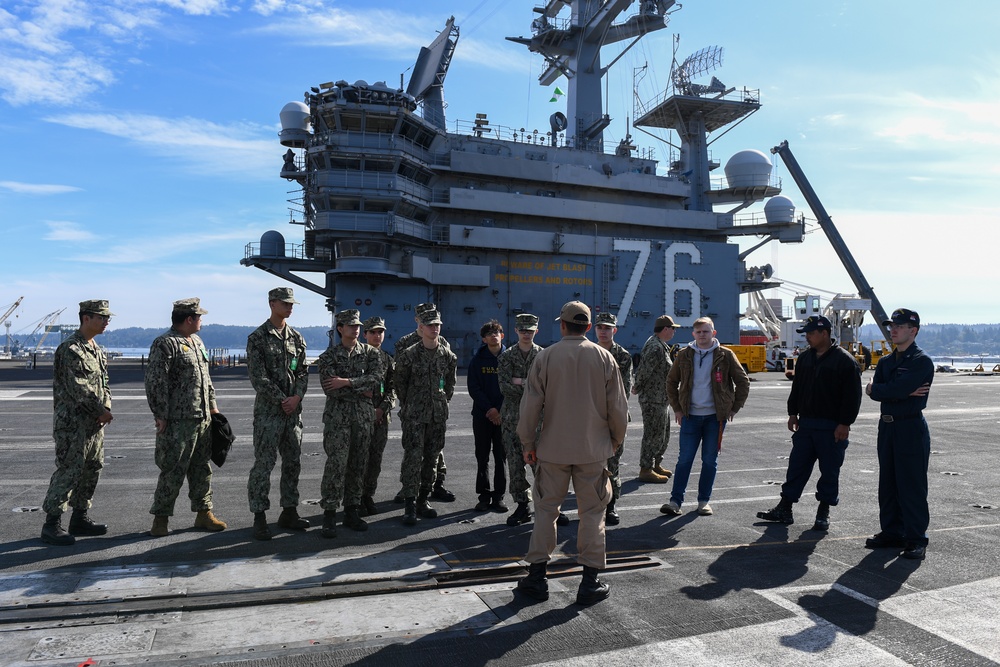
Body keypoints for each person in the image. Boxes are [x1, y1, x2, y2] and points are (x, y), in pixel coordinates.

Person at [515, 301, 629, 606]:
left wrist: (527, 444)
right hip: (593, 451)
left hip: (551, 450)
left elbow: (530, 406)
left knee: (546, 511)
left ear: (562, 325)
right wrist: (614, 442)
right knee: (593, 513)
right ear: (589, 327)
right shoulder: (605, 358)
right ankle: (589, 582)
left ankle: (537, 578)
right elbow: (618, 407)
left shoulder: (546, 357)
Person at [756, 315, 862, 530]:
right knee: (796, 467)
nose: (807, 338)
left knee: (830, 471)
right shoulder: (805, 358)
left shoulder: (845, 361)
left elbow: (852, 397)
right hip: (807, 424)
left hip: (831, 427)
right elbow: (797, 388)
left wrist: (844, 423)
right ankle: (785, 508)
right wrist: (792, 412)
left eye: (811, 333)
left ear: (825, 333)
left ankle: (823, 512)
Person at [146, 298, 227, 537]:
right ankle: (160, 519)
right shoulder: (165, 343)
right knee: (172, 469)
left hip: (202, 417)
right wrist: (160, 414)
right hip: (177, 420)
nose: (202, 321)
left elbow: (206, 380)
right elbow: (155, 382)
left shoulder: (197, 341)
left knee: (202, 468)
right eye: (199, 317)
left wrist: (213, 409)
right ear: (189, 319)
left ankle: (204, 514)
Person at [40, 300, 115, 546]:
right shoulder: (70, 349)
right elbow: (78, 388)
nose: (106, 322)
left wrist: (107, 408)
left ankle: (79, 517)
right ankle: (52, 524)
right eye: (102, 317)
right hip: (73, 424)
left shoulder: (95, 348)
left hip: (94, 424)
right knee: (69, 470)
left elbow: (104, 383)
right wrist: (100, 410)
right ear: (86, 318)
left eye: (107, 318)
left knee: (92, 468)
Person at [661, 316, 750, 517]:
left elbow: (742, 382)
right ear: (693, 334)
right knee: (684, 460)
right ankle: (675, 502)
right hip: (690, 417)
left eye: (706, 331)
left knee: (709, 461)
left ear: (713, 333)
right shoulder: (684, 355)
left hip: (715, 419)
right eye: (698, 332)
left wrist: (734, 408)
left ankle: (703, 501)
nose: (702, 335)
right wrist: (677, 408)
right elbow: (671, 382)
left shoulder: (726, 355)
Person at [864, 308, 933, 560]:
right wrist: (885, 390)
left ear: (913, 331)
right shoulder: (885, 362)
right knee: (889, 482)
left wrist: (880, 389)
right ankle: (893, 532)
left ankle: (916, 539)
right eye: (892, 325)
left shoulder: (921, 361)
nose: (893, 330)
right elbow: (883, 390)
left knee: (912, 484)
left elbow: (890, 388)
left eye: (899, 326)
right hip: (887, 426)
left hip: (910, 427)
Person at [245, 287, 310, 541]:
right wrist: (283, 399)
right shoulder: (258, 338)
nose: (290, 307)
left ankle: (289, 512)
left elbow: (303, 372)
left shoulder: (296, 337)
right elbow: (258, 377)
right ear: (272, 304)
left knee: (293, 462)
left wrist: (297, 398)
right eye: (285, 303)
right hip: (269, 413)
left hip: (292, 413)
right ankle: (259, 516)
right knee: (264, 464)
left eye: (292, 303)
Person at [316, 309, 383, 538]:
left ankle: (352, 510)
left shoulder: (370, 354)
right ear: (340, 329)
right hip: (338, 421)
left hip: (363, 420)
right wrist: (359, 389)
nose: (355, 329)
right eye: (350, 325)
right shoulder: (328, 357)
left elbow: (376, 379)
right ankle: (329, 513)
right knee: (336, 465)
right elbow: (329, 388)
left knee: (358, 465)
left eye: (357, 325)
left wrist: (345, 382)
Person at [394, 307, 458, 526]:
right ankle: (410, 504)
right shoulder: (409, 354)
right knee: (413, 458)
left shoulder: (447, 355)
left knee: (432, 459)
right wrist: (410, 403)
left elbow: (450, 384)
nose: (434, 328)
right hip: (414, 415)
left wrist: (441, 402)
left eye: (437, 325)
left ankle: (423, 499)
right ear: (421, 327)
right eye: (430, 325)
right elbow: (399, 383)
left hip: (437, 415)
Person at [498, 313, 544, 527]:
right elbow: (505, 387)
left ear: (536, 331)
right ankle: (522, 506)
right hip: (512, 420)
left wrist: (520, 382)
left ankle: (548, 506)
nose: (526, 334)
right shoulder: (506, 357)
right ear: (516, 331)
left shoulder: (544, 356)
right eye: (522, 330)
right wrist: (531, 386)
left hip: (538, 421)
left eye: (530, 330)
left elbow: (548, 387)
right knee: (516, 464)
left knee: (542, 465)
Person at [593, 312, 633, 526]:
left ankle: (611, 505)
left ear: (614, 330)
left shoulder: (623, 356)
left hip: (614, 417)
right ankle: (592, 505)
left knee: (613, 463)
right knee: (589, 463)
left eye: (607, 328)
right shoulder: (588, 353)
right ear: (594, 329)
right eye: (600, 327)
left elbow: (623, 390)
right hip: (591, 417)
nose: (603, 331)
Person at [633, 315, 681, 483]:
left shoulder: (660, 345)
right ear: (666, 329)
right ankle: (646, 468)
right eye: (673, 328)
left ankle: (655, 464)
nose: (674, 332)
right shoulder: (655, 347)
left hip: (661, 398)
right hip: (653, 399)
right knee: (653, 434)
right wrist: (636, 386)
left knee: (662, 434)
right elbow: (645, 369)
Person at [467, 319, 508, 513]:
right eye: (489, 333)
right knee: (482, 456)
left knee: (501, 457)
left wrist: (499, 409)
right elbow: (474, 388)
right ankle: (483, 496)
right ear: (484, 339)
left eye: (497, 332)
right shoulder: (477, 360)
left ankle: (498, 496)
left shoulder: (509, 358)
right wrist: (490, 410)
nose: (493, 335)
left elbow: (512, 387)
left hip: (503, 415)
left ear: (502, 335)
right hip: (483, 416)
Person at [358, 315, 395, 517]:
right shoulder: (357, 357)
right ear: (365, 335)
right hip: (359, 417)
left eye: (380, 331)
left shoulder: (388, 360)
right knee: (358, 459)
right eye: (372, 332)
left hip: (381, 418)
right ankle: (354, 498)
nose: (377, 335)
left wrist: (382, 408)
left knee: (375, 459)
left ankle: (368, 495)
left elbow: (392, 388)